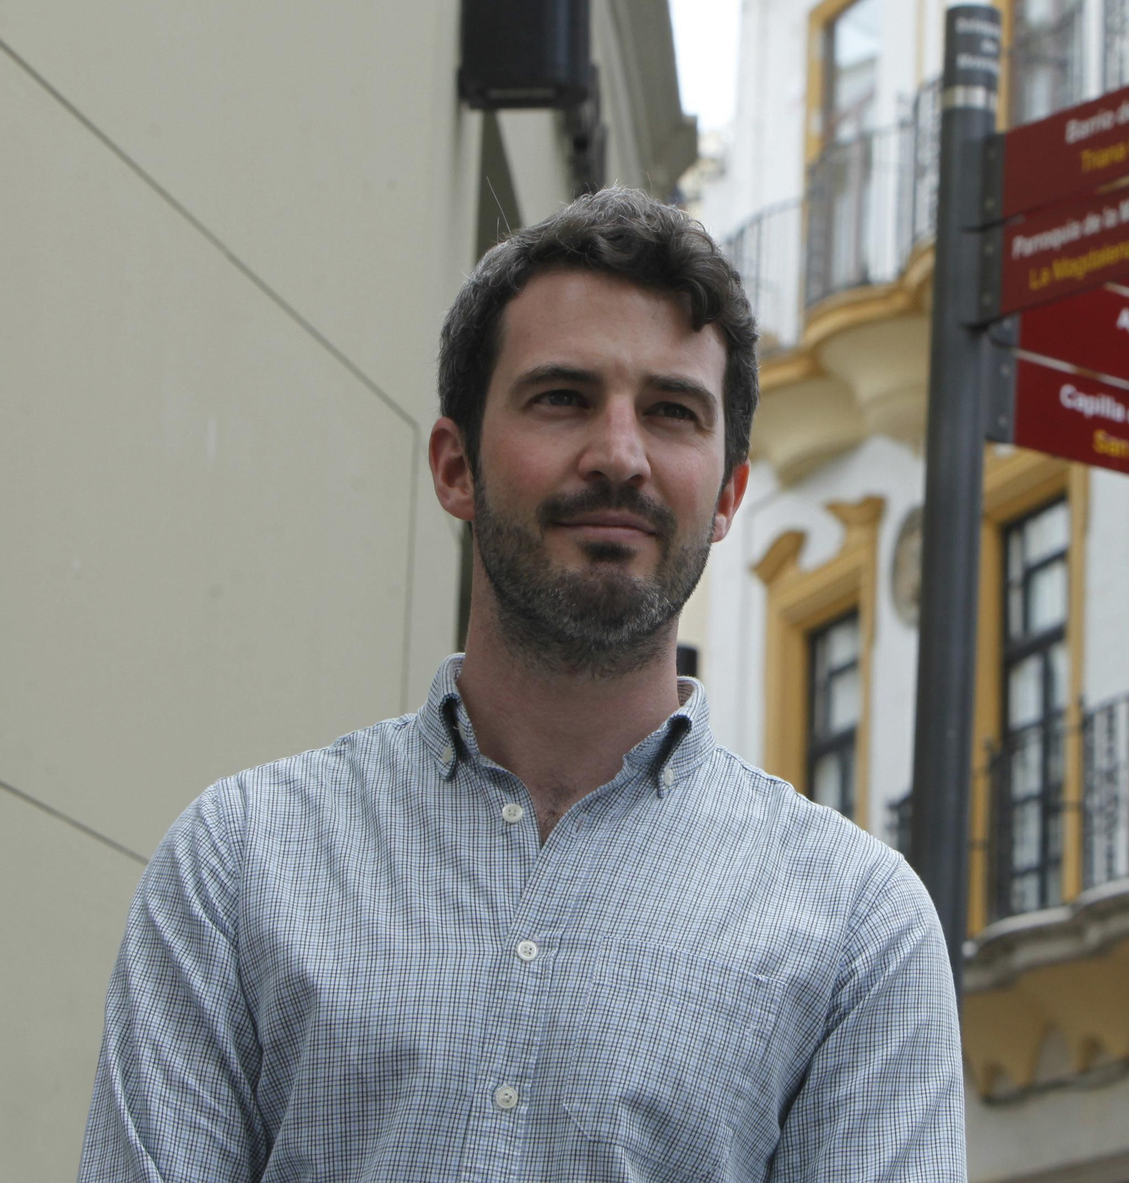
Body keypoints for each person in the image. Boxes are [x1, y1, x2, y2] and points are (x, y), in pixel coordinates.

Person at [77, 187, 966, 1182]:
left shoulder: (857, 929)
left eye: (671, 412)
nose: (619, 454)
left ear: (725, 493)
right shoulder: (238, 865)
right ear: (455, 467)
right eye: (562, 398)